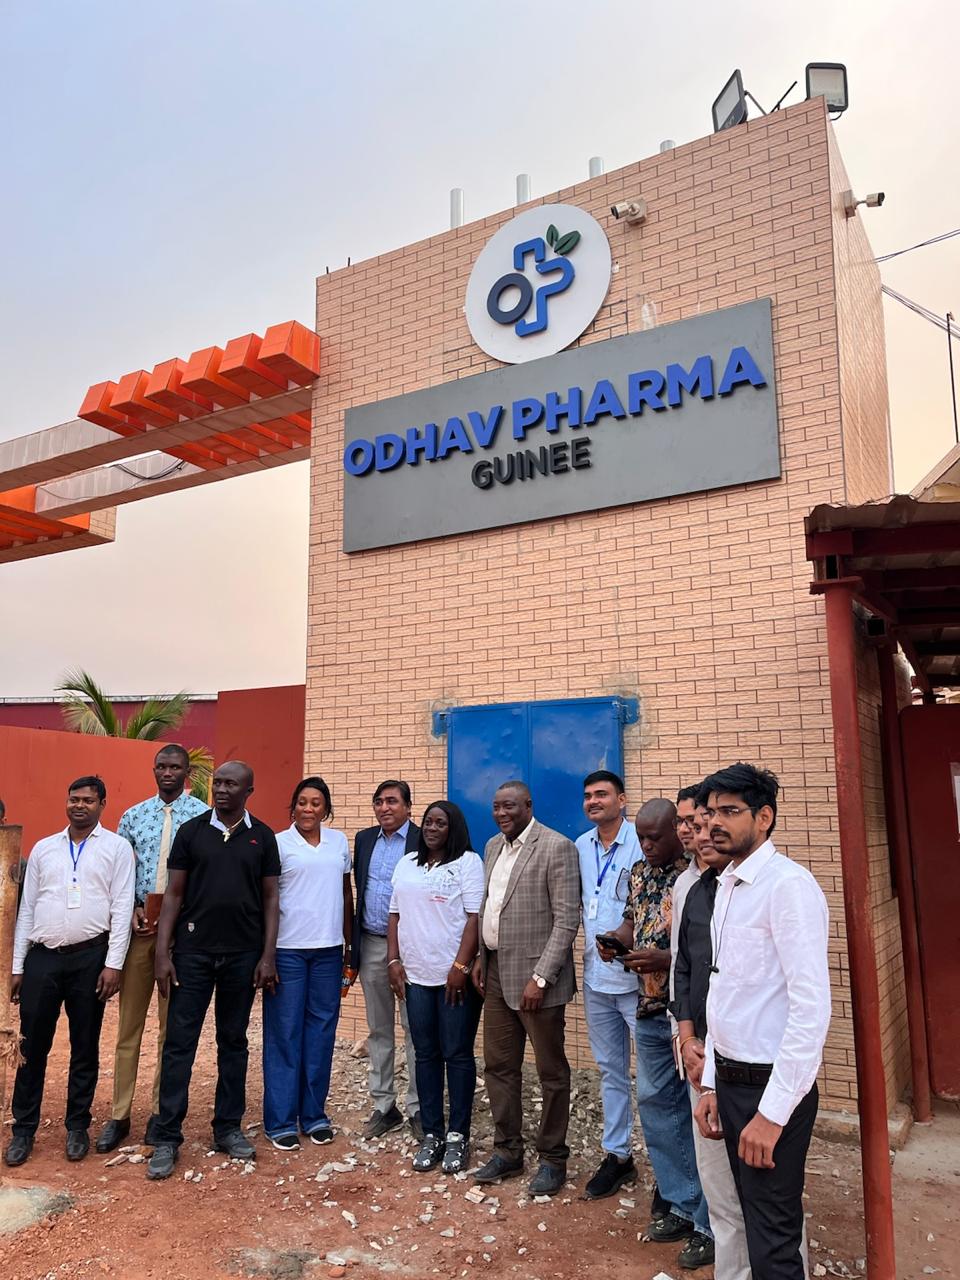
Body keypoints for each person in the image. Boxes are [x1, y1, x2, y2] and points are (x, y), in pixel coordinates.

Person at [695, 764, 829, 1280]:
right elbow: (724, 993)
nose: (715, 824)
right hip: (731, 1082)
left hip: (771, 1088)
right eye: (711, 812)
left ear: (764, 817)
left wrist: (772, 1115)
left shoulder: (788, 887)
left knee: (774, 1240)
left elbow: (810, 1008)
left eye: (730, 811)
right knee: (750, 1222)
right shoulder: (728, 885)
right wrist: (711, 1083)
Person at [146, 761, 280, 1180]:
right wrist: (163, 953)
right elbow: (173, 895)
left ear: (248, 791)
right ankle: (167, 1136)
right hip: (193, 955)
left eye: (230, 784)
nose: (221, 789)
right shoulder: (192, 832)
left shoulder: (263, 837)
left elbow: (271, 899)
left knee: (233, 1042)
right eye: (218, 782)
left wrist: (268, 955)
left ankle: (227, 1128)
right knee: (179, 1044)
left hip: (243, 955)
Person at [597, 798, 712, 1270]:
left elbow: (702, 950)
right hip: (647, 1006)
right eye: (642, 838)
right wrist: (617, 941)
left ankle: (709, 1222)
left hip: (689, 1013)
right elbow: (633, 921)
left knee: (698, 1109)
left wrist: (664, 959)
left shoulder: (699, 876)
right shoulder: (641, 873)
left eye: (655, 837)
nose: (646, 845)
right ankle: (681, 1203)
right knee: (656, 1103)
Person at [5, 776, 135, 1167]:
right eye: (74, 799)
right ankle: (23, 1130)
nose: (79, 806)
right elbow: (27, 909)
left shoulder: (117, 848)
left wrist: (113, 964)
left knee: (84, 1045)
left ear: (102, 804)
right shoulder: (44, 849)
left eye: (88, 800)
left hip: (90, 958)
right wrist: (18, 966)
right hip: (42, 959)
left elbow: (122, 908)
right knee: (31, 1047)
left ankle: (77, 1126)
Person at [95, 745, 209, 1153]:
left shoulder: (202, 817)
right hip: (140, 932)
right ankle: (119, 1114)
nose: (167, 772)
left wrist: (183, 923)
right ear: (154, 769)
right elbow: (120, 875)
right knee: (129, 1028)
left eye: (175, 766)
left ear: (187, 771)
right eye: (161, 766)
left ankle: (162, 1113)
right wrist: (131, 911)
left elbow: (205, 876)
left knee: (170, 1031)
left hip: (180, 939)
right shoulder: (133, 817)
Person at [472, 780, 580, 1197]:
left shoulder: (556, 847)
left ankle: (553, 1158)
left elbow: (566, 920)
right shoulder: (492, 847)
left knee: (551, 1072)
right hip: (496, 972)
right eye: (497, 806)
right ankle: (508, 1151)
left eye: (510, 806)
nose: (502, 813)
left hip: (538, 982)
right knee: (499, 1066)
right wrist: (480, 957)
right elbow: (490, 909)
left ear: (528, 806)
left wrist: (541, 977)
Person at [673, 799, 751, 1280]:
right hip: (701, 1059)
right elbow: (684, 970)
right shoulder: (697, 891)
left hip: (750, 1065)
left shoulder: (770, 889)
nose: (702, 835)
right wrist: (686, 1040)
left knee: (766, 1200)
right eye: (695, 826)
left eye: (710, 824)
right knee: (721, 1191)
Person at [387, 801, 483, 1174]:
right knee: (425, 1054)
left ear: (453, 828)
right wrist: (393, 961)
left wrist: (460, 967)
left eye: (440, 823)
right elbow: (394, 915)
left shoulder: (467, 863)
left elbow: (474, 917)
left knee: (456, 1054)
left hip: (453, 981)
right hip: (415, 978)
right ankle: (432, 1133)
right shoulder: (407, 863)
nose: (431, 828)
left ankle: (458, 1135)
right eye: (428, 822)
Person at [263, 776, 353, 1150]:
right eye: (302, 802)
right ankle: (280, 1121)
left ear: (326, 808)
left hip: (328, 951)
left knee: (320, 1033)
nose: (308, 809)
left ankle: (314, 1115)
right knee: (285, 1033)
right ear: (293, 807)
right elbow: (267, 898)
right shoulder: (278, 844)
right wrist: (267, 954)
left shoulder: (339, 842)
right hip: (288, 951)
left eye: (316, 803)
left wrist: (350, 946)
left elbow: (346, 894)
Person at [574, 770, 644, 1200]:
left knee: (655, 1078)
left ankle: (672, 1168)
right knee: (611, 1071)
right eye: (588, 796)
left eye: (602, 794)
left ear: (622, 799)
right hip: (597, 980)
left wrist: (623, 939)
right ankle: (619, 1156)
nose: (594, 801)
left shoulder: (642, 841)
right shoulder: (581, 846)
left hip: (639, 982)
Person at [352, 779, 421, 1140]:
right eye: (378, 801)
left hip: (412, 949)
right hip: (372, 945)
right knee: (379, 1029)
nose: (384, 808)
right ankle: (384, 1106)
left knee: (416, 1029)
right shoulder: (365, 840)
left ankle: (419, 1108)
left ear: (408, 806)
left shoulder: (424, 839)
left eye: (392, 801)